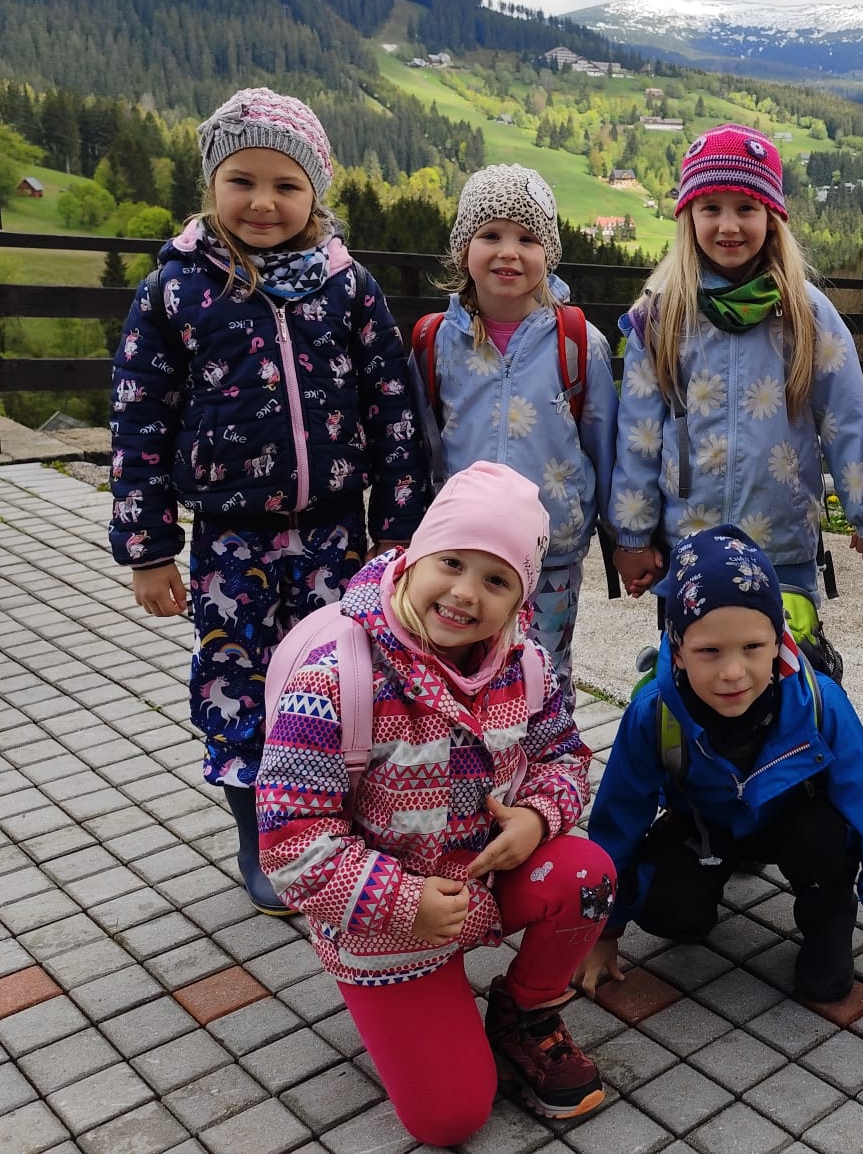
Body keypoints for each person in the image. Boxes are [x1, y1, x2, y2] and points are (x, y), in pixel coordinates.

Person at [108, 87, 423, 915]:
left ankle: (343, 825)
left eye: (286, 185)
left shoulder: (349, 288)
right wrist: (148, 550)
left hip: (336, 536)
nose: (262, 202)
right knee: (239, 686)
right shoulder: (175, 290)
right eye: (241, 181)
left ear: (315, 191)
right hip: (228, 541)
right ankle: (263, 839)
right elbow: (138, 421)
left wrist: (398, 532)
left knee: (344, 683)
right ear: (211, 184)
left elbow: (393, 411)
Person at [257, 463, 613, 1142]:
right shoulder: (338, 677)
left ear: (521, 599)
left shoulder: (525, 664)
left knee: (585, 875)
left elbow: (566, 756)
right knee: (450, 1118)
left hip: (482, 878)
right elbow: (290, 841)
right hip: (385, 922)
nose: (465, 593)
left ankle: (523, 1014)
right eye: (451, 562)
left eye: (497, 580)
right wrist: (401, 902)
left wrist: (538, 815)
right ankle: (412, 1003)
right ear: (414, 555)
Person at [574, 525, 863, 1019]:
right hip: (705, 824)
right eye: (709, 651)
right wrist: (603, 930)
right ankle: (708, 881)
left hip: (797, 824)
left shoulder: (820, 702)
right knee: (671, 917)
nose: (733, 672)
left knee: (827, 971)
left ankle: (828, 916)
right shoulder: (653, 713)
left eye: (753, 648)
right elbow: (617, 821)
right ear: (677, 649)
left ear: (777, 641)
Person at [609, 124, 863, 622]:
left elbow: (846, 418)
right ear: (688, 216)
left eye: (746, 207)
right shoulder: (660, 317)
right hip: (689, 548)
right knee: (695, 666)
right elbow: (639, 436)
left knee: (784, 665)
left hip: (782, 548)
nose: (729, 226)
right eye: (710, 208)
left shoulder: (807, 314)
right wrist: (632, 537)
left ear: (771, 215)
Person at [412, 163, 617, 679]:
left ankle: (547, 737)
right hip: (459, 557)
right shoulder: (435, 342)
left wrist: (624, 539)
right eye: (491, 235)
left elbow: (604, 449)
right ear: (464, 248)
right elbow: (421, 445)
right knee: (456, 673)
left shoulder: (578, 343)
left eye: (527, 239)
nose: (509, 251)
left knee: (543, 673)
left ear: (549, 254)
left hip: (551, 555)